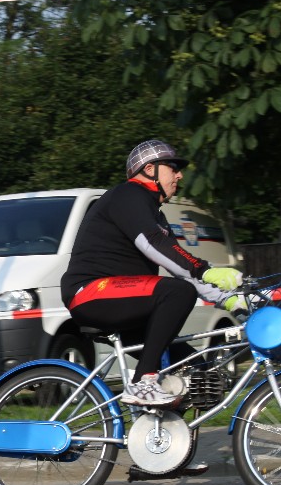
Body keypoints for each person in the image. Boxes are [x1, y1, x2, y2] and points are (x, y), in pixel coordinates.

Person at [60, 139, 245, 408]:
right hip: (91, 292)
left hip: (124, 302)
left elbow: (178, 266)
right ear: (150, 169)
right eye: (173, 168)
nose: (179, 176)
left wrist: (230, 300)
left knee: (197, 370)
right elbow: (153, 244)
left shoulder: (156, 214)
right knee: (178, 293)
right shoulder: (128, 195)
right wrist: (205, 270)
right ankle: (143, 383)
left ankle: (165, 427)